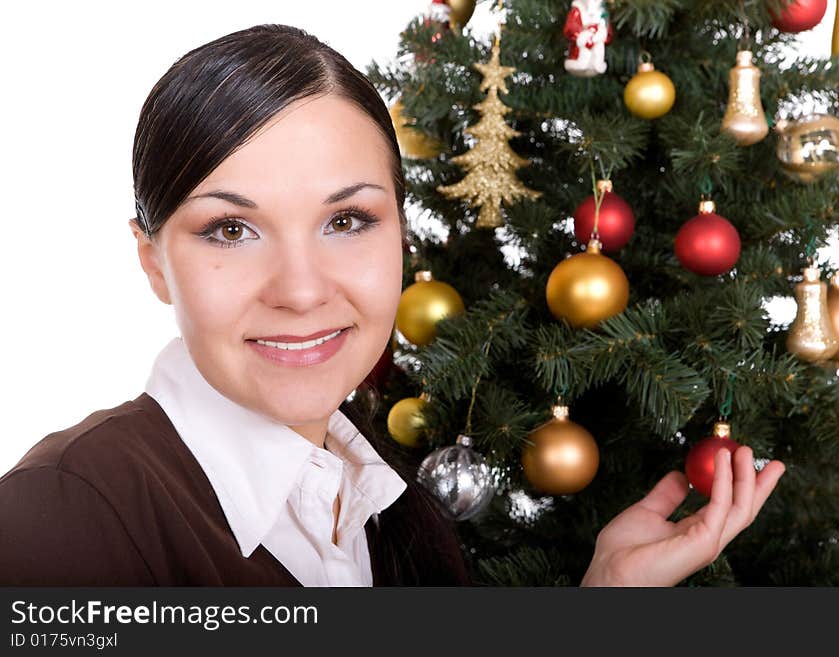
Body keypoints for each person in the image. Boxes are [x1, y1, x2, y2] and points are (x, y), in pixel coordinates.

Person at [0, 24, 785, 587]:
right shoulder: (65, 516)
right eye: (231, 229)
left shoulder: (388, 502)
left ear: (401, 237)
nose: (302, 289)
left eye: (347, 221)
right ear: (154, 262)